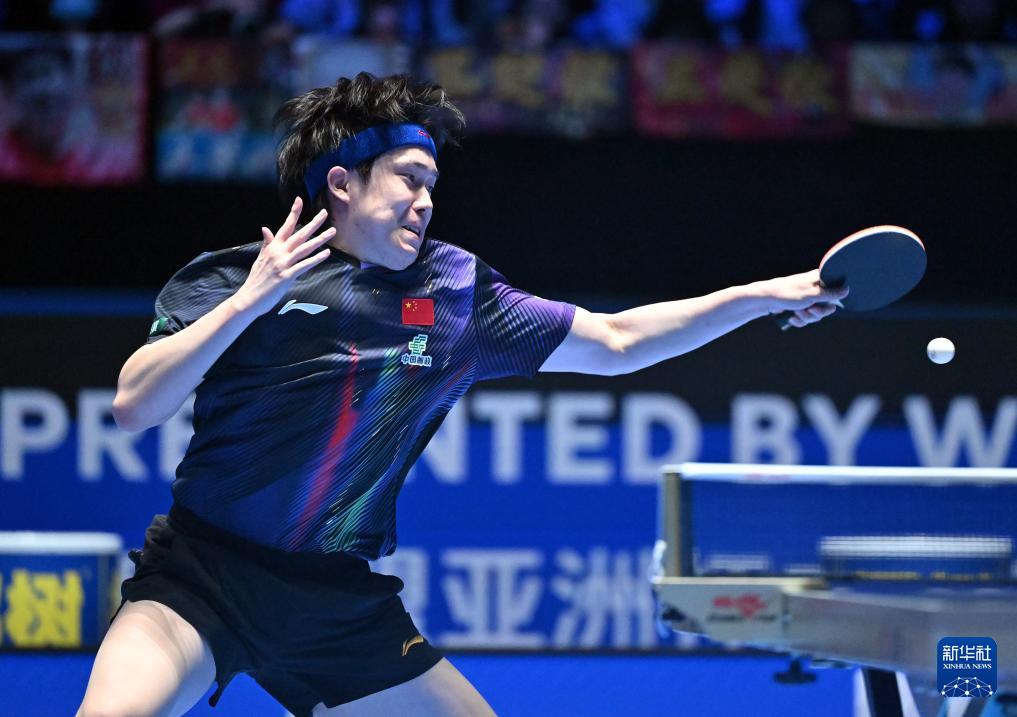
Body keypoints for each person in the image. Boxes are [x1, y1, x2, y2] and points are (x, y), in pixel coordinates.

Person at [76, 72, 846, 717]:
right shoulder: (234, 277)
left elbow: (618, 342)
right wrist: (248, 303)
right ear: (342, 182)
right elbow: (134, 405)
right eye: (408, 179)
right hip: (201, 576)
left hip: (333, 599)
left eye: (432, 185)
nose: (425, 201)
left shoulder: (455, 294)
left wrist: (762, 296)